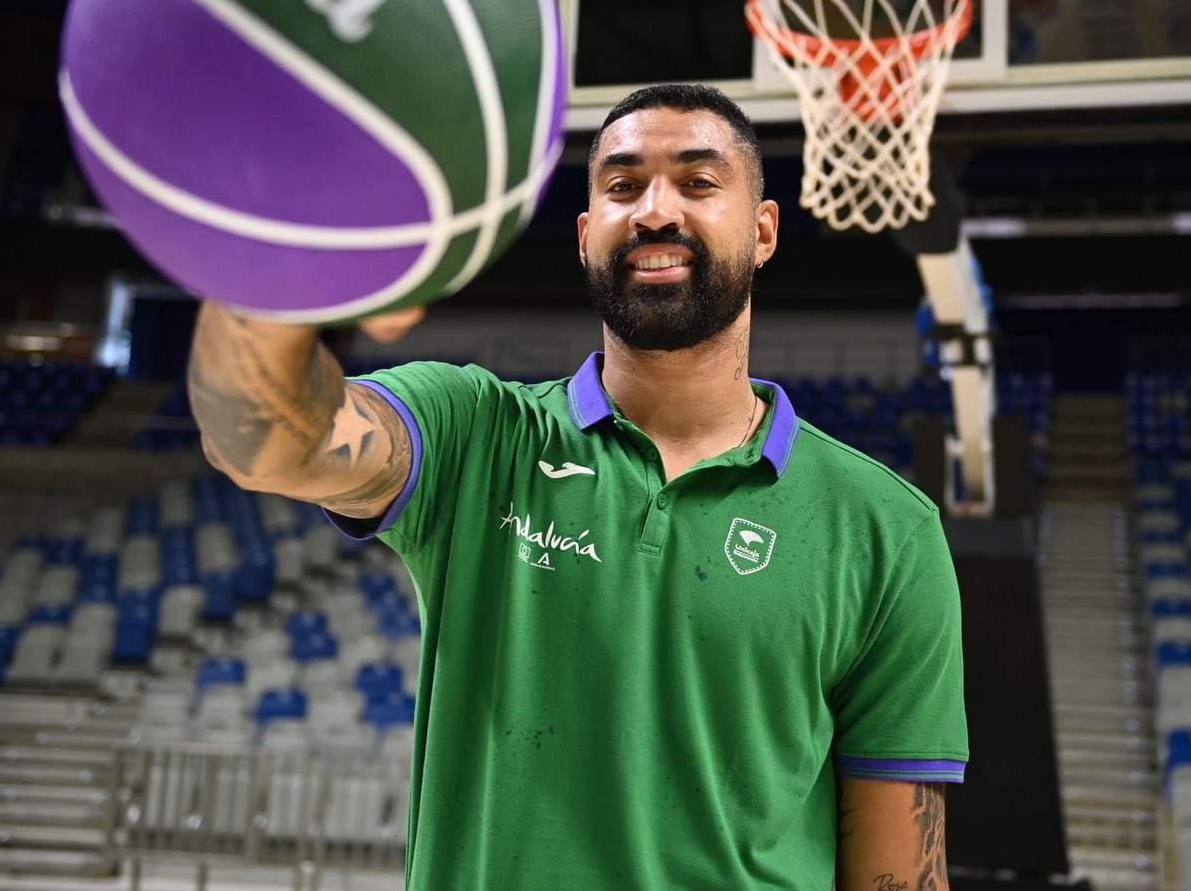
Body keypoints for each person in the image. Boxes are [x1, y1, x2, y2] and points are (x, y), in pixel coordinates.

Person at [188, 83, 968, 890]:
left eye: (699, 183)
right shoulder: (479, 436)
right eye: (623, 187)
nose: (656, 211)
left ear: (764, 231)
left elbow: (898, 878)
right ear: (587, 233)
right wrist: (274, 249)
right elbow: (262, 439)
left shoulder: (885, 530)